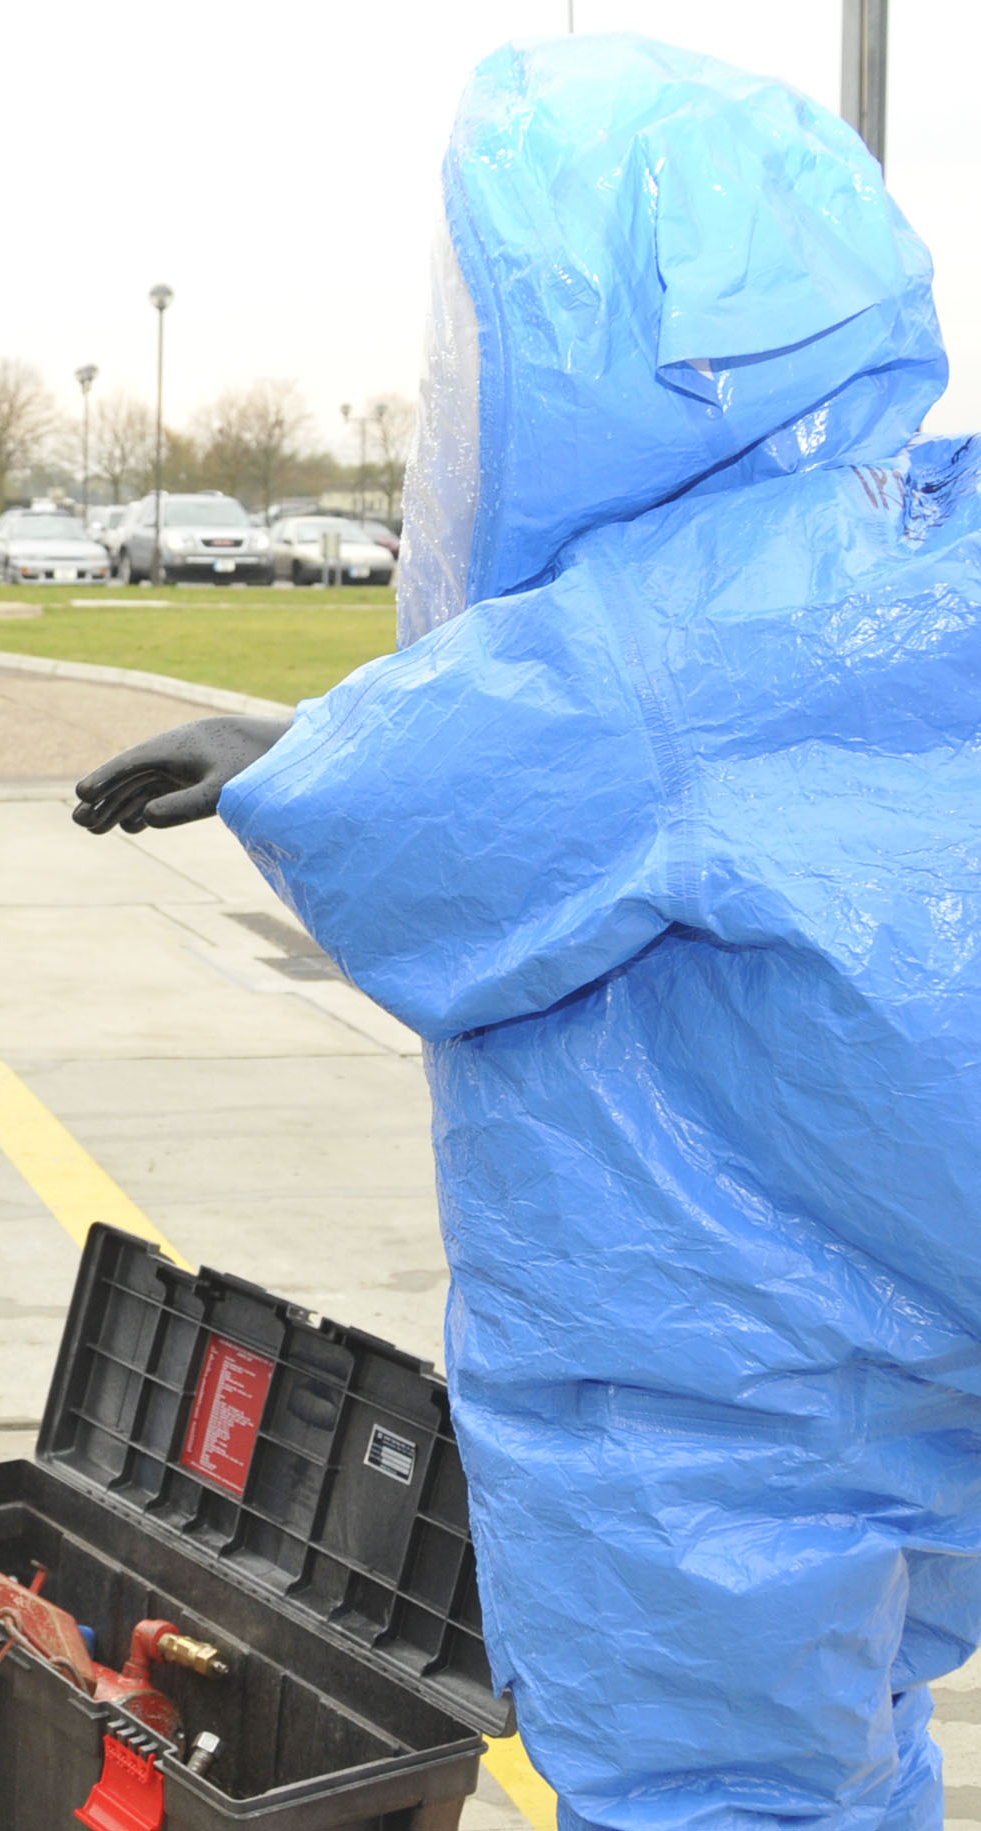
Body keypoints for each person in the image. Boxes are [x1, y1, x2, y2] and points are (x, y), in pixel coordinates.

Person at [74, 36, 981, 1830]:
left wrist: (283, 764)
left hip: (713, 1351)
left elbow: (436, 826)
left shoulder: (652, 631)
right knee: (856, 1706)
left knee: (706, 1773)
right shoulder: (907, 559)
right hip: (901, 1328)